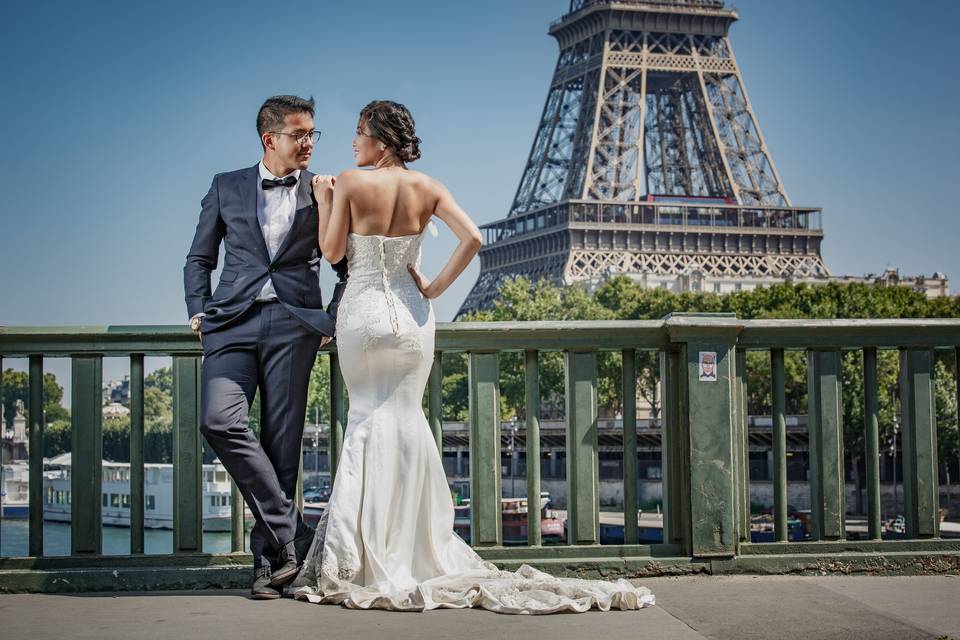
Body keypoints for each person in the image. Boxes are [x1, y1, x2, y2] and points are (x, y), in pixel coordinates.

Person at [290, 100, 655, 614]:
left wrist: (326, 198)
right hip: (414, 317)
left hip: (364, 315)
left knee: (367, 417)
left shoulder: (349, 181)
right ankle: (417, 546)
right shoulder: (429, 188)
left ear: (381, 140)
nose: (352, 142)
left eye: (358, 133)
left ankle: (363, 554)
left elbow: (331, 253)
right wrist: (432, 287)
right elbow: (475, 239)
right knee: (408, 419)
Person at [183, 95, 348, 599]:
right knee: (219, 420)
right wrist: (198, 309)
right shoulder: (225, 185)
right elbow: (198, 258)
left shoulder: (326, 191)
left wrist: (332, 320)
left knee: (282, 448)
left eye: (313, 135)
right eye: (300, 134)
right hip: (231, 322)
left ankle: (268, 568)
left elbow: (347, 265)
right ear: (269, 139)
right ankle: (294, 532)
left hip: (293, 323)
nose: (309, 144)